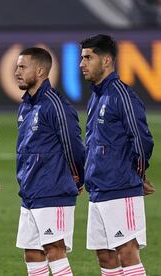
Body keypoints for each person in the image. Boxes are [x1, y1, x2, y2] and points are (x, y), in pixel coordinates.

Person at [80, 34, 154, 276]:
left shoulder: (122, 95)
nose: (82, 64)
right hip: (98, 189)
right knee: (105, 256)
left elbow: (141, 139)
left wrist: (137, 174)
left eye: (88, 58)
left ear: (107, 61)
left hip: (120, 188)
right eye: (82, 58)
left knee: (126, 252)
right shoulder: (96, 97)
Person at [14, 47, 85, 276]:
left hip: (53, 188)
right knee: (32, 253)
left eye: (23, 67)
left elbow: (73, 144)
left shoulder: (55, 105)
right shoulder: (25, 105)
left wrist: (77, 177)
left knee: (55, 249)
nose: (17, 71)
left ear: (41, 70)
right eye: (17, 66)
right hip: (30, 191)